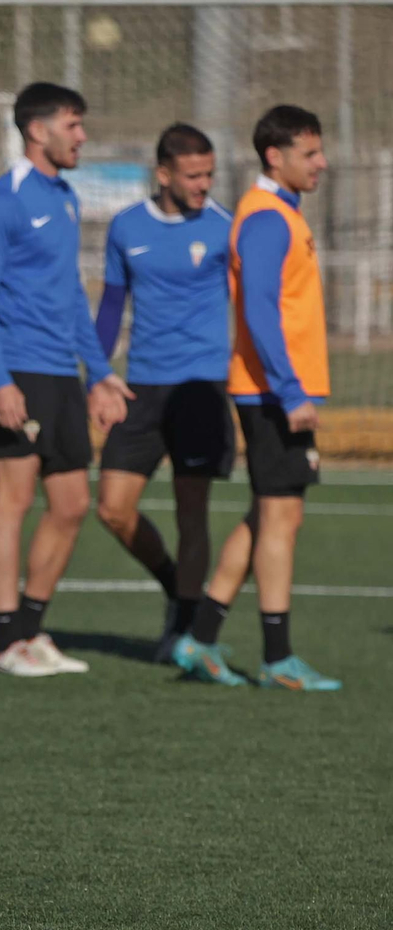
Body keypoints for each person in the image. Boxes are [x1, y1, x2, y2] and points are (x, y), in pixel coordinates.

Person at [0, 81, 133, 677]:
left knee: (72, 503)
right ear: (38, 130)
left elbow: (70, 299)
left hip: (62, 371)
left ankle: (33, 632)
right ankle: (6, 640)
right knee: (13, 499)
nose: (82, 136)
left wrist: (101, 374)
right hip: (20, 369)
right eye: (73, 124)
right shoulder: (1, 200)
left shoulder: (63, 196)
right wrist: (0, 379)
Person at [172, 106, 341, 691]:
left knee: (265, 514)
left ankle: (200, 637)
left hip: (270, 389)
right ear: (277, 155)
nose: (322, 163)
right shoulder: (268, 218)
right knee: (280, 520)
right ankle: (277, 659)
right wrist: (291, 390)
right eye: (311, 153)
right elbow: (259, 310)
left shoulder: (278, 214)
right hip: (272, 393)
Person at [93, 124, 235, 661]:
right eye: (193, 175)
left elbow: (251, 305)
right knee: (111, 509)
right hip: (141, 387)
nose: (203, 185)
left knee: (191, 513)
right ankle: (177, 585)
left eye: (209, 174)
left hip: (201, 387)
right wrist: (99, 375)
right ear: (163, 174)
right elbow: (110, 306)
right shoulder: (127, 226)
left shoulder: (226, 227)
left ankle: (186, 619)